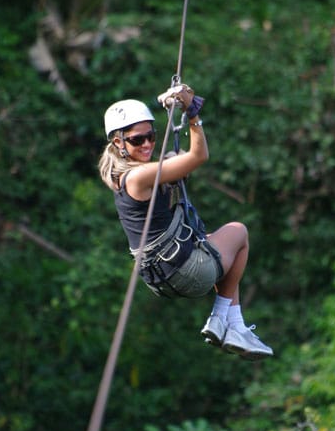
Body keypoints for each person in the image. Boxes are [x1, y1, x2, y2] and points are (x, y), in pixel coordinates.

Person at [98, 83, 273, 360]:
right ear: (118, 143)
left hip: (166, 276)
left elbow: (169, 171)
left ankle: (235, 325)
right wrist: (192, 112)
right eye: (137, 140)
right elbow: (199, 156)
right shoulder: (138, 178)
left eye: (151, 137)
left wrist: (171, 158)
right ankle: (221, 318)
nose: (147, 144)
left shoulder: (128, 177)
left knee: (219, 244)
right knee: (239, 232)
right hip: (187, 271)